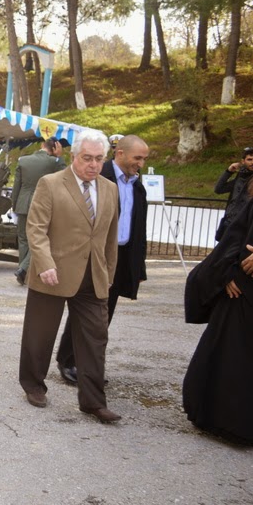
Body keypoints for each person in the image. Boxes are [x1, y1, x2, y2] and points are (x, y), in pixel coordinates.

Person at [18, 130, 120, 423]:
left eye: (99, 159)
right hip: (53, 272)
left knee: (95, 338)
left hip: (93, 277)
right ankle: (33, 384)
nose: (93, 164)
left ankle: (93, 402)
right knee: (40, 335)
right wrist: (44, 262)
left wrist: (109, 271)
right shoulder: (50, 183)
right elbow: (36, 228)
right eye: (87, 158)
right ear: (74, 156)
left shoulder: (109, 189)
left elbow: (110, 236)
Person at [56, 135, 150, 384]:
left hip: (120, 258)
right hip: (92, 256)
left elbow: (139, 228)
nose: (140, 163)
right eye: (137, 158)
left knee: (103, 317)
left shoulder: (136, 185)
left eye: (144, 159)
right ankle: (68, 361)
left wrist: (138, 267)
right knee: (85, 313)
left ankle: (89, 365)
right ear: (120, 154)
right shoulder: (99, 177)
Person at [182, 170, 253, 444]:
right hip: (242, 290)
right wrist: (225, 272)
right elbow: (235, 236)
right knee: (227, 357)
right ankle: (223, 420)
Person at [13, 138, 65, 286]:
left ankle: (22, 271)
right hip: (43, 204)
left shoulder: (23, 160)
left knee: (23, 239)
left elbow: (17, 186)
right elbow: (65, 176)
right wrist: (59, 157)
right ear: (55, 148)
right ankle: (24, 269)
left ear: (42, 146)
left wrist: (15, 205)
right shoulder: (54, 162)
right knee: (40, 237)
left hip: (23, 204)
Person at [214, 146, 253, 241]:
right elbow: (219, 189)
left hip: (248, 223)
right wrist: (228, 172)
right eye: (250, 159)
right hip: (231, 221)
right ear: (243, 161)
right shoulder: (240, 177)